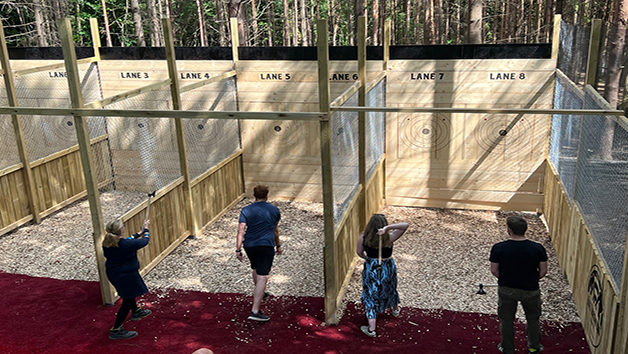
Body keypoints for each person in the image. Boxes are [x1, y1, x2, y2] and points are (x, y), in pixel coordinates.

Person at [490, 215, 548, 354]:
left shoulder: (499, 248)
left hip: (507, 288)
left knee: (506, 319)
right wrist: (532, 280)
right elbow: (543, 271)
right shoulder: (537, 248)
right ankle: (534, 347)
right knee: (533, 318)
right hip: (531, 289)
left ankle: (508, 348)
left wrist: (506, 279)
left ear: (509, 230)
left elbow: (494, 270)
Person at [357, 214, 408, 337]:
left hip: (371, 267)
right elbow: (405, 225)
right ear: (383, 225)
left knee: (371, 294)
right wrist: (388, 228)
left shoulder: (363, 237)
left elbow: (359, 252)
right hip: (387, 266)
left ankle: (371, 328)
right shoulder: (389, 237)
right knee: (390, 287)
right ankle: (395, 310)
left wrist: (369, 259)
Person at [235, 185, 282, 322]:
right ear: (267, 196)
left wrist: (238, 249)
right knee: (263, 276)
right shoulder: (274, 210)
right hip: (265, 245)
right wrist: (278, 246)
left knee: (255, 268)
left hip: (249, 245)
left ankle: (261, 292)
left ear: (254, 195)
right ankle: (255, 311)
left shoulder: (246, 210)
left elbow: (241, 231)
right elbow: (275, 230)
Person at [103, 218, 153, 340]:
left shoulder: (108, 242)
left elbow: (127, 240)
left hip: (116, 274)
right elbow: (145, 241)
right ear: (121, 230)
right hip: (126, 275)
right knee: (127, 300)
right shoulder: (125, 244)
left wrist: (138, 233)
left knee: (130, 295)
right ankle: (116, 329)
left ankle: (136, 311)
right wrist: (146, 230)